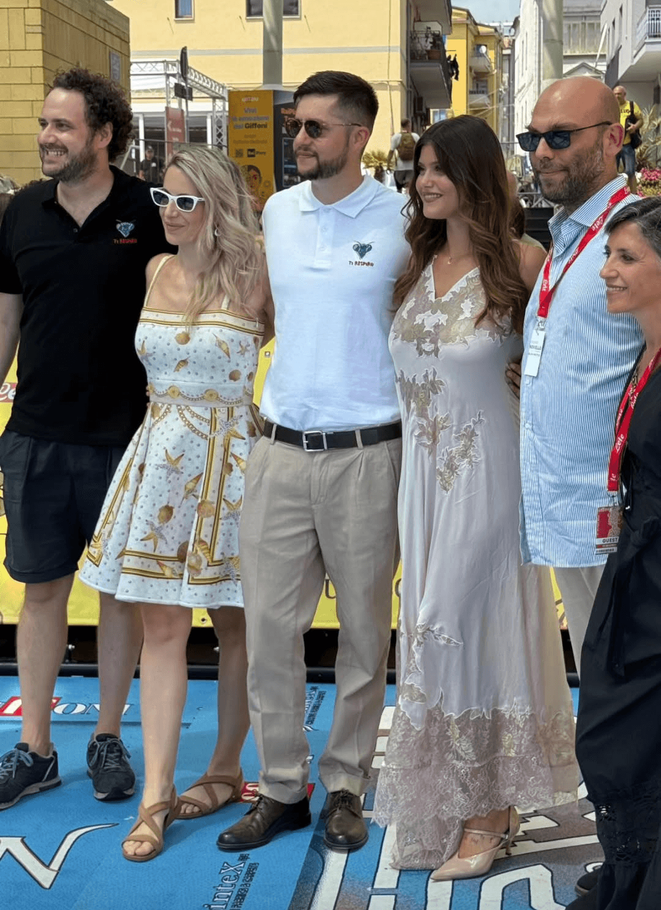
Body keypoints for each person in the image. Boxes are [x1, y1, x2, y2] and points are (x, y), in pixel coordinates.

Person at [372, 115, 578, 877]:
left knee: (458, 624)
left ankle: (493, 811)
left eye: (437, 169)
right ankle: (456, 800)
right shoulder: (411, 268)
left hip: (490, 480)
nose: (423, 181)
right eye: (417, 169)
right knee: (428, 635)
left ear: (474, 176)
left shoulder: (524, 263)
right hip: (421, 486)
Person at [217, 70, 409, 855]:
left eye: (315, 128)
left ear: (357, 137)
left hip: (369, 453)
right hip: (279, 451)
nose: (297, 139)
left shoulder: (404, 216)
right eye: (297, 125)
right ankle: (283, 788)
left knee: (363, 634)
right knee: (268, 632)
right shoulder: (278, 212)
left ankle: (344, 786)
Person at [79, 145, 273, 861]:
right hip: (159, 465)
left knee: (237, 629)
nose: (170, 212)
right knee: (160, 631)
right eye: (163, 199)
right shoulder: (155, 268)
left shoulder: (259, 273)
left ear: (219, 205)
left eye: (187, 202)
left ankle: (224, 769)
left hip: (235, 466)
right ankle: (156, 797)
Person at [0, 68, 169, 811]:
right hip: (35, 434)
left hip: (123, 440)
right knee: (41, 593)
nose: (47, 137)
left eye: (62, 127)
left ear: (104, 136)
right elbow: (5, 321)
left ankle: (106, 736)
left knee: (118, 598)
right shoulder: (21, 213)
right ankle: (35, 747)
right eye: (44, 124)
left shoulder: (148, 210)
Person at [509, 77, 643, 905]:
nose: (543, 155)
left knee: (624, 703)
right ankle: (625, 855)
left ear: (612, 137)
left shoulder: (635, 237)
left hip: (616, 515)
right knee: (603, 700)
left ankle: (634, 865)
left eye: (560, 138)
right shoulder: (565, 236)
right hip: (563, 512)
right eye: (532, 140)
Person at [571, 196, 661, 910]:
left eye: (625, 257)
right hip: (633, 576)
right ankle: (626, 875)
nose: (605, 271)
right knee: (608, 744)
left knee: (625, 746)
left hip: (654, 599)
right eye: (607, 255)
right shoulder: (643, 351)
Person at [613, 85, 643, 195]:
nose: (616, 96)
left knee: (630, 172)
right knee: (612, 174)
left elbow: (641, 120)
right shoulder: (610, 107)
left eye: (619, 94)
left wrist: (635, 127)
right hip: (614, 146)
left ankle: (634, 195)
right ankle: (616, 195)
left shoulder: (631, 105)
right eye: (615, 94)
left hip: (627, 144)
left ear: (624, 95)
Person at [388, 118, 419, 194]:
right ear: (409, 125)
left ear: (401, 126)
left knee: (399, 189)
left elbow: (391, 151)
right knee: (409, 188)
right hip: (411, 166)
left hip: (400, 167)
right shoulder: (415, 136)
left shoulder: (396, 137)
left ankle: (400, 202)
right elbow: (420, 150)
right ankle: (408, 201)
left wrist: (389, 164)